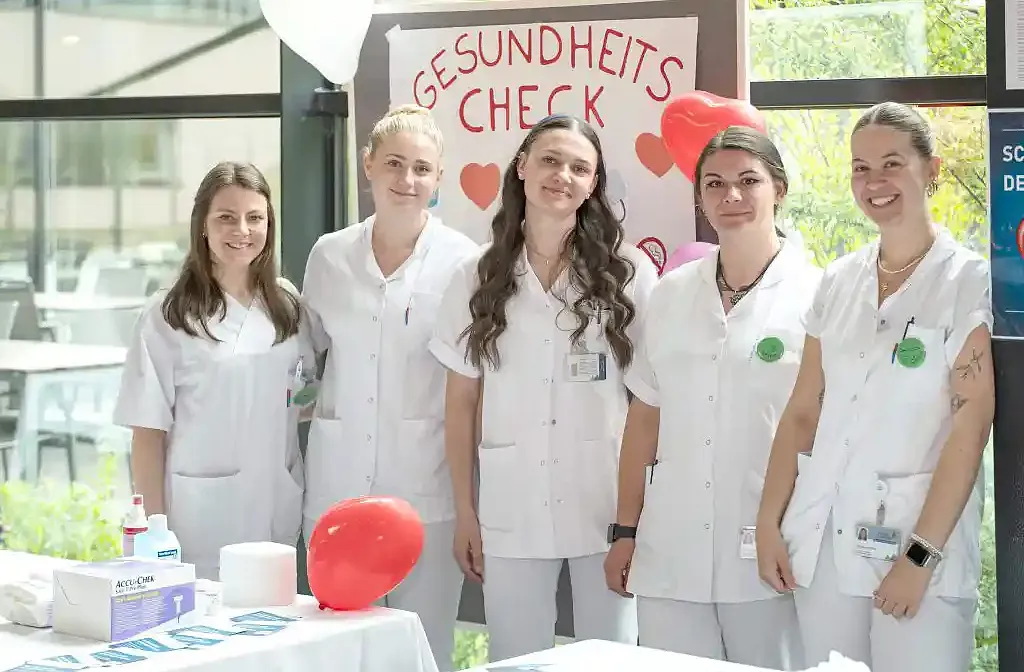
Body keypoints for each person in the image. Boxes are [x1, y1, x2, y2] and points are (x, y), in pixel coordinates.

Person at [756, 101, 994, 672]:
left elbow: (970, 428)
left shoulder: (967, 281)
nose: (874, 182)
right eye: (861, 168)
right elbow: (803, 412)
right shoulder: (840, 280)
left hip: (917, 547)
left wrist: (920, 556)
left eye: (892, 164)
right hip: (825, 540)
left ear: (931, 170)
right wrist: (768, 522)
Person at [430, 114, 657, 662]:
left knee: (611, 658)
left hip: (604, 502)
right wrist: (465, 511)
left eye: (580, 168)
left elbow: (651, 400)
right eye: (550, 161)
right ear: (522, 167)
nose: (562, 176)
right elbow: (460, 403)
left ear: (594, 184)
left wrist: (636, 520)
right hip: (511, 504)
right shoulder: (476, 275)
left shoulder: (627, 273)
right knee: (515, 657)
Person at [604, 126, 815, 669]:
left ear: (779, 189)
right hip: (670, 548)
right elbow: (644, 420)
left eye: (749, 180)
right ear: (699, 198)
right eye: (715, 184)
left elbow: (821, 424)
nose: (732, 195)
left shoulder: (815, 293)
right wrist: (625, 530)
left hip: (771, 549)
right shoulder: (672, 292)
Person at [301, 105, 478, 672]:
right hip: (337, 487)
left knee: (423, 647)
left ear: (439, 177)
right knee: (337, 652)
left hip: (426, 490)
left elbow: (470, 384)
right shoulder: (329, 256)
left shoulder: (465, 262)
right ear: (368, 164)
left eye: (422, 169)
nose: (407, 179)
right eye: (395, 164)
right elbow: (306, 361)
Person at [113, 161, 311, 580]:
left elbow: (302, 393)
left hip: (276, 506)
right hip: (199, 519)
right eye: (226, 217)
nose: (242, 230)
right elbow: (147, 434)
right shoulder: (167, 315)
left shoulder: (287, 305)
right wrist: (153, 535)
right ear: (202, 225)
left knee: (272, 615)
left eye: (255, 217)